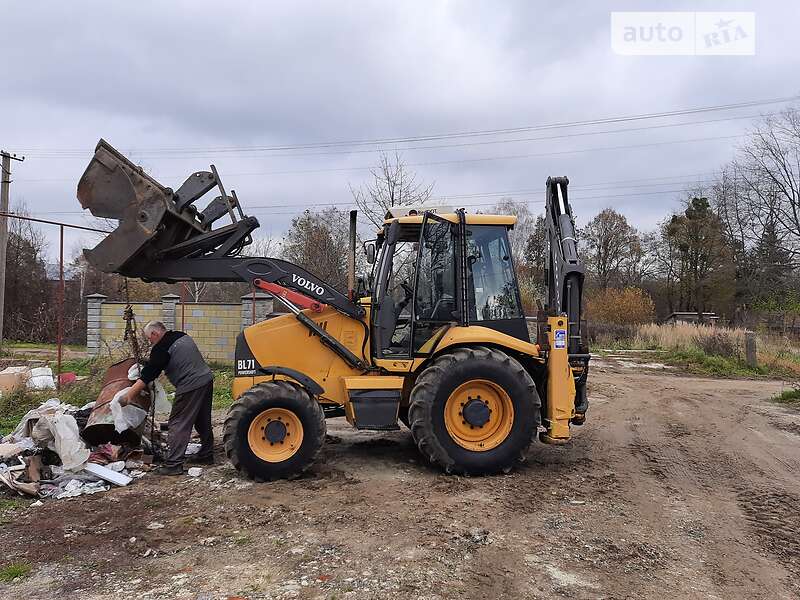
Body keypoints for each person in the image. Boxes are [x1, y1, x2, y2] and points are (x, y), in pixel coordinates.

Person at [124, 321, 214, 475]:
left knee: (178, 423)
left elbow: (149, 374)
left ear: (155, 334)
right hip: (206, 379)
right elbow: (162, 361)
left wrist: (128, 396)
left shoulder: (161, 347)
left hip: (190, 386)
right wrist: (147, 362)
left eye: (149, 339)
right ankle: (206, 455)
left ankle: (173, 464)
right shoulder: (180, 336)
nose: (150, 342)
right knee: (202, 419)